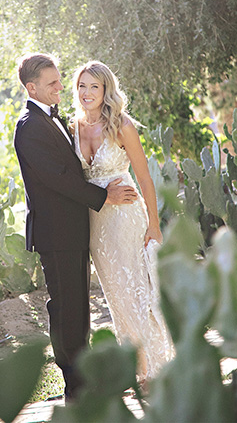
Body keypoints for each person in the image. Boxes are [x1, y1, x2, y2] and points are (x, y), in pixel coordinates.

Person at [13, 53, 138, 402]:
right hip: (56, 234)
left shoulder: (55, 121)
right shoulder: (30, 127)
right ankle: (75, 390)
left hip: (72, 230)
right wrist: (105, 196)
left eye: (58, 81)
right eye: (52, 84)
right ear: (31, 87)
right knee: (67, 311)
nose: (59, 88)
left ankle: (83, 383)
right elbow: (60, 179)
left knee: (77, 310)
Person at [71, 60, 174, 382]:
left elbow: (144, 179)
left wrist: (154, 225)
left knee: (137, 292)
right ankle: (137, 368)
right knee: (116, 296)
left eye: (94, 87)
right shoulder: (71, 127)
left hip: (127, 218)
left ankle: (159, 368)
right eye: (82, 86)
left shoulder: (122, 125)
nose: (87, 93)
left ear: (106, 91)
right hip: (95, 222)